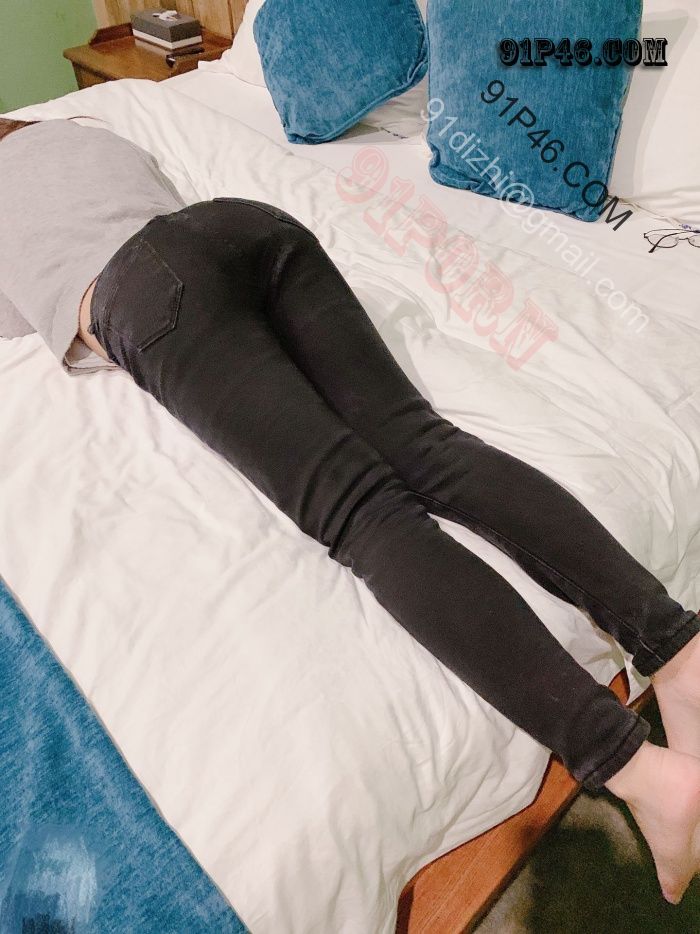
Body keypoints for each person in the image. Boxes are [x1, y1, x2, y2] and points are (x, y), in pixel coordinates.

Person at [2, 116, 699, 904]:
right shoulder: (84, 133)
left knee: (366, 519)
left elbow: (22, 319)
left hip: (149, 297)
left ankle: (633, 768)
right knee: (432, 448)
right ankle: (679, 650)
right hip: (245, 228)